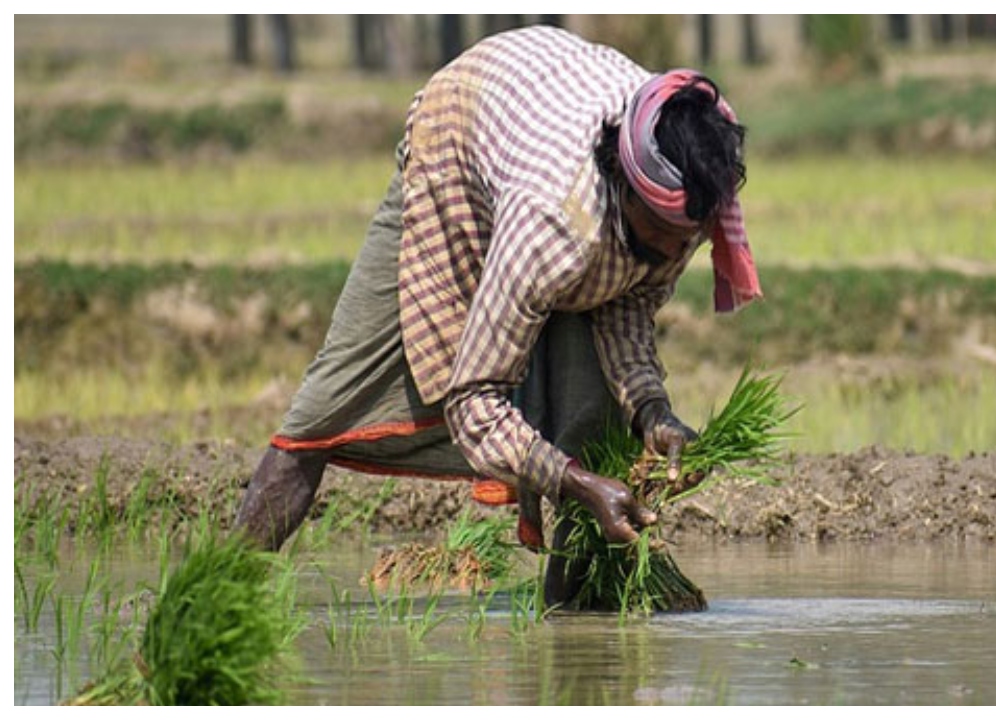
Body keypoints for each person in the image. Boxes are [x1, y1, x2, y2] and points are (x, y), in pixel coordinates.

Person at [232, 25, 761, 603]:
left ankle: (568, 627)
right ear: (623, 185)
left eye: (684, 238)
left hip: (538, 111)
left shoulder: (680, 203)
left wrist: (653, 411)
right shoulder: (551, 225)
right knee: (326, 407)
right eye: (660, 232)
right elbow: (474, 401)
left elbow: (629, 301)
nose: (672, 250)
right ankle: (215, 595)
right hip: (459, 140)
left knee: (599, 421)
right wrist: (578, 484)